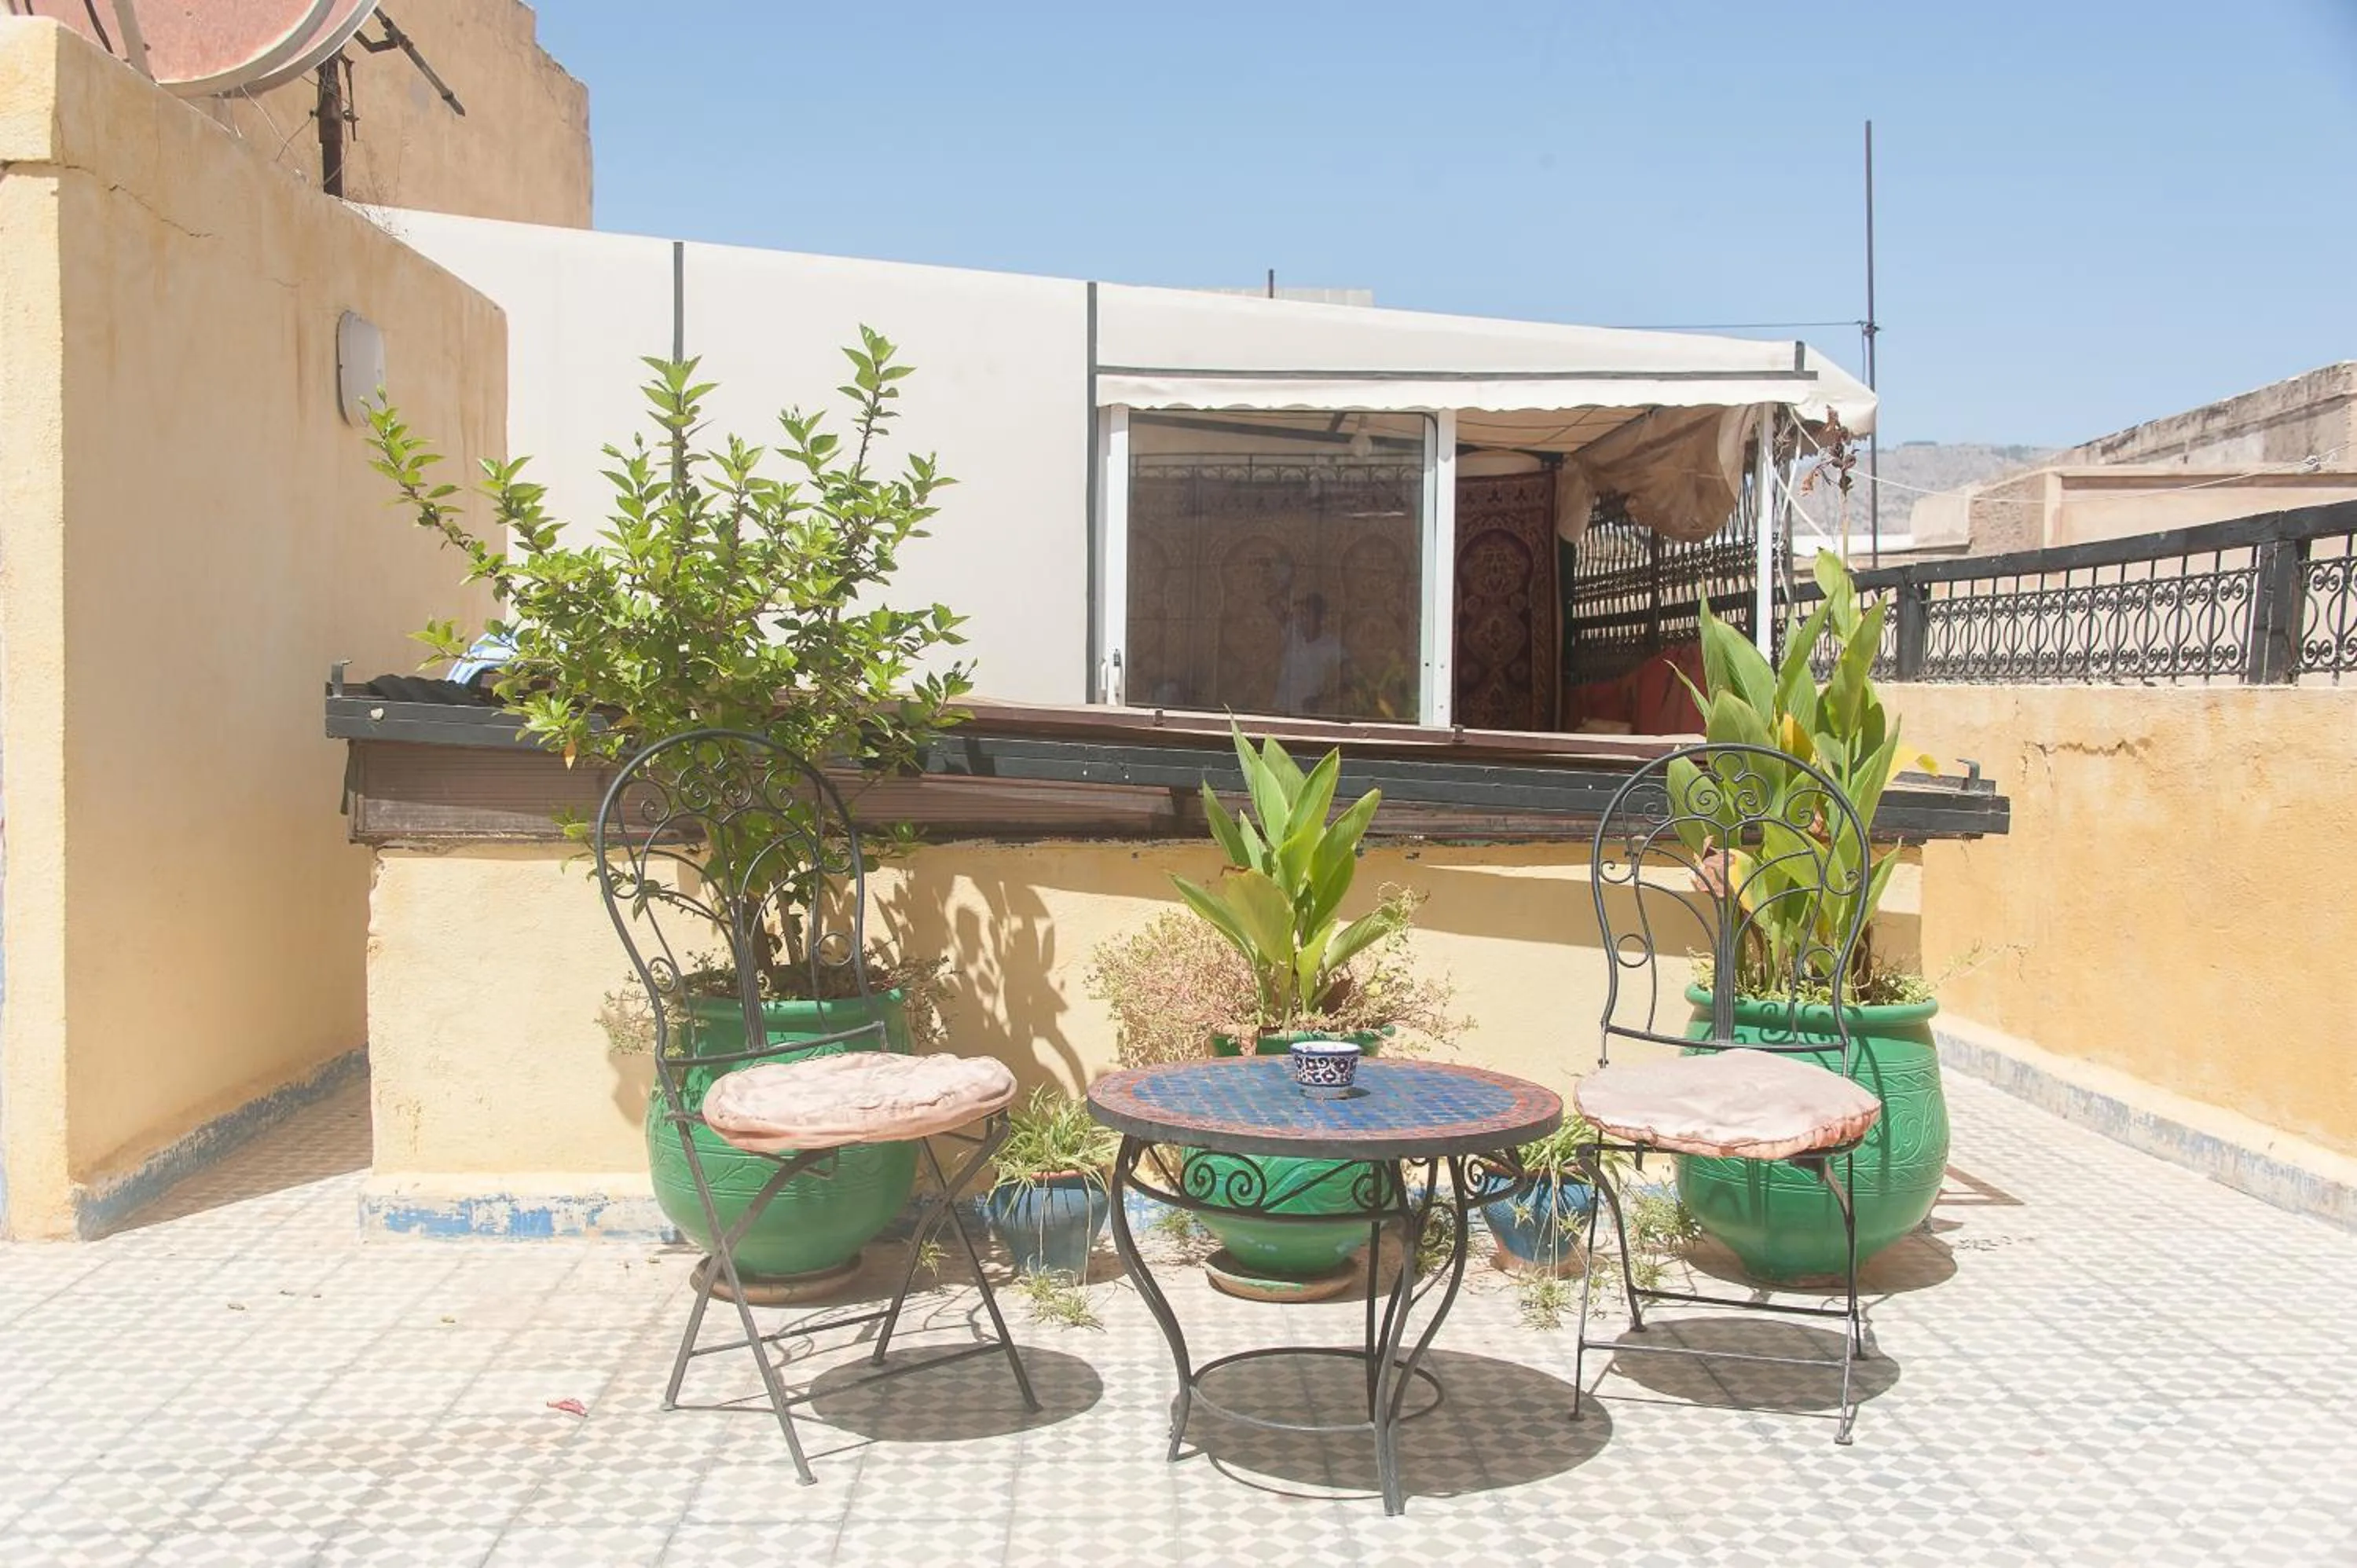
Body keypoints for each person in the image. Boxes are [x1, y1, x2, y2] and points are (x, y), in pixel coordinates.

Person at [1272, 592, 1344, 716]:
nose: (1303, 619)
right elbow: (1273, 604)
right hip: (1282, 711)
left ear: (1320, 618)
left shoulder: (1331, 646)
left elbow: (1348, 681)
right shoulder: (1293, 634)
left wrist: (1321, 700)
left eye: (1308, 614)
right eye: (1302, 614)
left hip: (1309, 715)